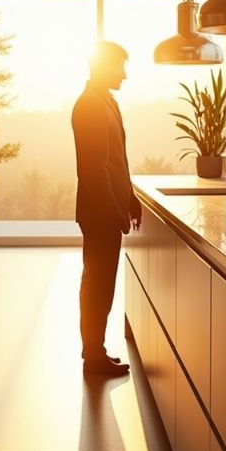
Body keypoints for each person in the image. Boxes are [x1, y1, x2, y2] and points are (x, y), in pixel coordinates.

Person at [72, 41, 143, 377]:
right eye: (120, 67)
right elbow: (94, 170)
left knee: (101, 283)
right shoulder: (89, 106)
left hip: (106, 210)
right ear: (103, 66)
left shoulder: (104, 102)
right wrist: (116, 211)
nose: (125, 75)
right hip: (99, 213)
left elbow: (116, 161)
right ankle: (93, 356)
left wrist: (130, 199)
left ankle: (96, 351)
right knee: (97, 284)